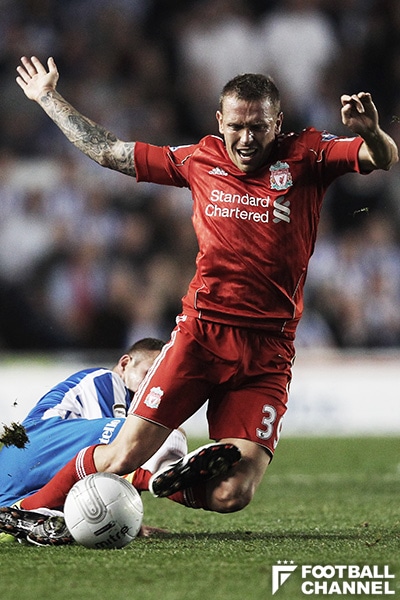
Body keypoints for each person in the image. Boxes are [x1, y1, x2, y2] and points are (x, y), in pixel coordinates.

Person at [0, 55, 397, 544]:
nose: (246, 138)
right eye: (236, 126)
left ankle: (167, 482)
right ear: (219, 121)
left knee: (233, 493)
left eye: (258, 127)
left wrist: (371, 132)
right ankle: (24, 513)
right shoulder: (198, 159)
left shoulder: (308, 155)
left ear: (278, 122)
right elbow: (109, 152)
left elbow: (383, 157)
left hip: (268, 352)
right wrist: (48, 98)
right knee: (124, 452)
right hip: (200, 336)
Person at [0, 337, 187, 543]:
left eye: (161, 381)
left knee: (82, 524)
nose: (154, 387)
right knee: (160, 432)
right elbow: (112, 456)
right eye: (149, 375)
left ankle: (25, 515)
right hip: (35, 444)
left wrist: (127, 523)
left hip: (27, 483)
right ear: (125, 364)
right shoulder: (106, 380)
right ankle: (187, 484)